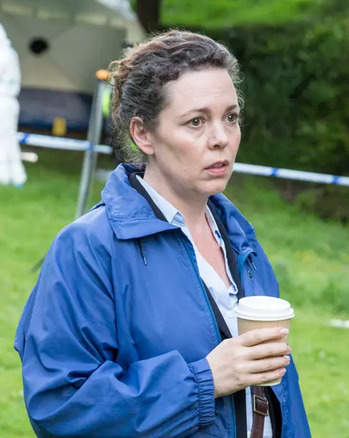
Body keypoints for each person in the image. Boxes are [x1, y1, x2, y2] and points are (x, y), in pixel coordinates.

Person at [15, 30, 311, 438]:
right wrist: (205, 380)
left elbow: (281, 398)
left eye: (230, 117)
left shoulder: (240, 239)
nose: (221, 139)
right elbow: (60, 407)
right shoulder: (89, 247)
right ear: (143, 134)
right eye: (196, 122)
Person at [0, 22, 27, 186]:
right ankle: (14, 176)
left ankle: (9, 176)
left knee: (4, 140)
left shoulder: (2, 55)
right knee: (8, 140)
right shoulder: (11, 53)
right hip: (10, 102)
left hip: (2, 101)